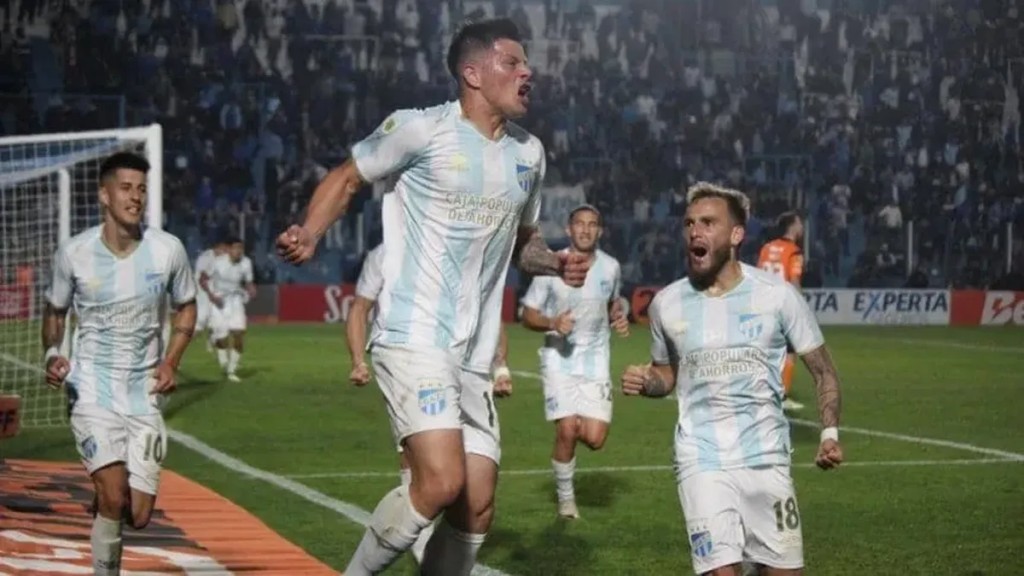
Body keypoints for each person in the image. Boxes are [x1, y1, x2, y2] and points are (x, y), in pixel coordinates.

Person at [276, 18, 589, 576]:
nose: (528, 72)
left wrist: (556, 262)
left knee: (477, 505)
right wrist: (310, 232)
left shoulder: (530, 154)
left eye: (526, 63)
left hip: (474, 355)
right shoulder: (420, 129)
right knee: (442, 481)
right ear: (472, 73)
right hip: (414, 333)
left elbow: (525, 243)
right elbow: (349, 176)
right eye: (512, 62)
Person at [620, 182, 844, 576]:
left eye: (708, 223)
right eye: (690, 223)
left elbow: (823, 370)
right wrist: (647, 381)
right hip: (701, 459)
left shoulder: (777, 296)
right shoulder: (666, 304)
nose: (695, 231)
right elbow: (667, 374)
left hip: (766, 459)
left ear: (737, 234)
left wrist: (829, 435)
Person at [41, 152, 198, 576]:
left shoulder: (168, 250)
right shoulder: (74, 253)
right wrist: (53, 354)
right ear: (104, 195)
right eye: (126, 188)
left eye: (141, 189)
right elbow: (55, 312)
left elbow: (186, 305)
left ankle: (105, 502)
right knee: (113, 495)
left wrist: (171, 361)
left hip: (144, 393)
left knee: (139, 514)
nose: (136, 197)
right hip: (91, 388)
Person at [345, 242, 514, 564]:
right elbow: (359, 308)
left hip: (469, 369)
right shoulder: (384, 255)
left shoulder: (470, 242)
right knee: (427, 470)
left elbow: (489, 311)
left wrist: (501, 367)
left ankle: (425, 553)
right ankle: (418, 548)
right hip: (415, 359)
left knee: (477, 501)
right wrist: (357, 361)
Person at [520, 204, 628, 519]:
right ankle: (566, 501)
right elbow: (527, 315)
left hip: (596, 362)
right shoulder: (552, 266)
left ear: (600, 231)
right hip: (559, 360)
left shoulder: (611, 267)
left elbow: (613, 303)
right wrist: (553, 322)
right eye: (579, 224)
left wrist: (618, 315)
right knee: (567, 429)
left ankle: (571, 429)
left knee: (594, 438)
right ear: (569, 229)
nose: (585, 229)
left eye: (592, 224)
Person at [757, 211, 806, 411]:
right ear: (792, 226)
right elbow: (794, 281)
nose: (802, 227)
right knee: (790, 352)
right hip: (783, 306)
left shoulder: (766, 248)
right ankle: (781, 396)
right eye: (799, 223)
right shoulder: (794, 252)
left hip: (764, 304)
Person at [200, 237, 256, 382]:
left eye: (241, 248)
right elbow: (203, 279)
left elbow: (248, 281)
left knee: (238, 334)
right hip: (219, 301)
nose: (239, 251)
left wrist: (251, 289)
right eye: (236, 248)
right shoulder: (217, 262)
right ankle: (223, 360)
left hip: (236, 300)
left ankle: (231, 370)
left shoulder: (246, 262)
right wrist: (211, 296)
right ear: (229, 249)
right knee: (222, 339)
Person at [193, 238, 228, 353]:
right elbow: (202, 280)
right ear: (220, 247)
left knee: (223, 319)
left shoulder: (221, 258)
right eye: (225, 249)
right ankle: (179, 347)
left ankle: (212, 338)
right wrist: (211, 295)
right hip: (202, 294)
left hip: (213, 293)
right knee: (200, 323)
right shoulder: (206, 257)